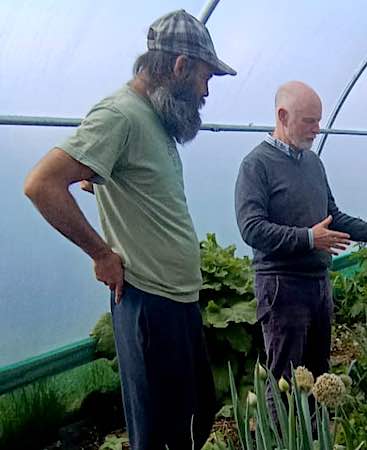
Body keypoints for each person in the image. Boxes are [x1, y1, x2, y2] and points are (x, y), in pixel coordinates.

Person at [23, 10, 236, 450]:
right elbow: (42, 184)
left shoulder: (153, 119)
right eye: (204, 77)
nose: (206, 90)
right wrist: (101, 254)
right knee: (160, 436)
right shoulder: (120, 115)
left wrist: (98, 178)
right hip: (148, 304)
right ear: (178, 67)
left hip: (177, 300)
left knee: (195, 418)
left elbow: (108, 172)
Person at [234, 80, 367, 413]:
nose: (318, 129)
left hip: (317, 284)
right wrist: (308, 238)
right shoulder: (256, 165)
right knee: (285, 379)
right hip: (281, 286)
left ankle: (315, 438)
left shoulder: (312, 163)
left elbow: (332, 216)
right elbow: (251, 228)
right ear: (283, 115)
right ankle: (284, 440)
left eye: (319, 120)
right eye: (309, 121)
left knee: (318, 376)